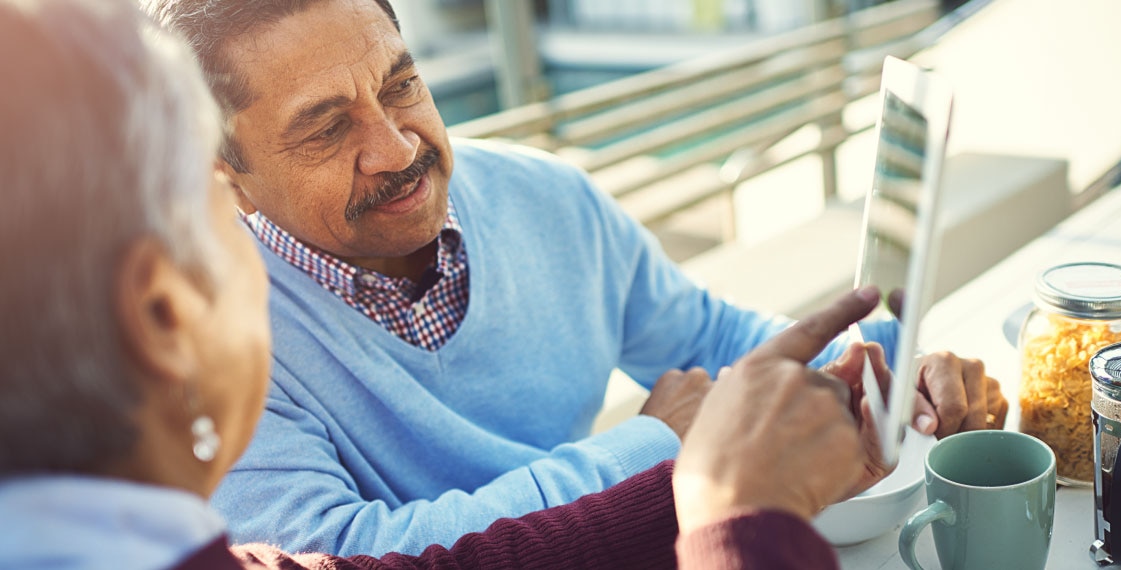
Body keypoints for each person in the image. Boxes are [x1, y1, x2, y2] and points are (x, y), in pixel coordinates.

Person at [0, 3, 913, 567]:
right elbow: (347, 555)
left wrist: (884, 369)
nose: (397, 150)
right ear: (226, 177)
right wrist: (662, 451)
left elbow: (715, 336)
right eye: (326, 130)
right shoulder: (209, 354)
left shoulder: (546, 194)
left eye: (400, 87)